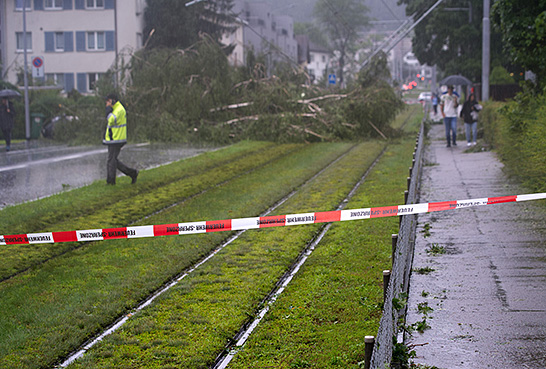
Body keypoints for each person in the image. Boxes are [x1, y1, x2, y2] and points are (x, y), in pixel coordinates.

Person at [103, 93, 138, 185]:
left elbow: (111, 120)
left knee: (111, 160)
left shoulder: (119, 110)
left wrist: (108, 111)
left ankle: (111, 182)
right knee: (113, 160)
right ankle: (132, 173)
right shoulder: (115, 109)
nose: (106, 103)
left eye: (108, 101)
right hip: (113, 139)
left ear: (113, 101)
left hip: (117, 139)